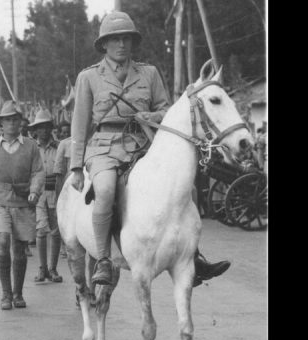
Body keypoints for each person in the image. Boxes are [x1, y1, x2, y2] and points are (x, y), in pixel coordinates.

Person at [68, 10, 230, 286]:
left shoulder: (149, 73)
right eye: (115, 39)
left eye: (127, 39)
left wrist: (151, 117)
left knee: (183, 188)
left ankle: (193, 256)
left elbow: (165, 110)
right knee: (106, 190)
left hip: (143, 144)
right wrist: (75, 167)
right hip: (105, 147)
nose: (122, 44)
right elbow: (80, 125)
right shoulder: (89, 78)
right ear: (104, 44)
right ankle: (104, 260)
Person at [0, 101, 45, 310]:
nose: (12, 123)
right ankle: (5, 294)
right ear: (0, 124)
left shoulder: (30, 146)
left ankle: (18, 293)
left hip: (23, 201)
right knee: (2, 241)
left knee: (19, 248)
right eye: (7, 120)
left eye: (15, 119)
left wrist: (35, 191)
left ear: (21, 123)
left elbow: (38, 171)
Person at [27, 110, 63, 283]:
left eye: (47, 127)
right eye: (40, 128)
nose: (44, 131)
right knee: (41, 231)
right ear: (35, 130)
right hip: (39, 193)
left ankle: (53, 268)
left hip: (56, 192)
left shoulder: (59, 147)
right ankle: (42, 269)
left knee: (56, 233)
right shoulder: (31, 148)